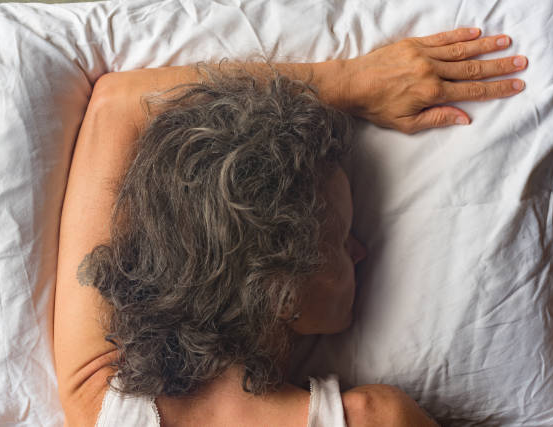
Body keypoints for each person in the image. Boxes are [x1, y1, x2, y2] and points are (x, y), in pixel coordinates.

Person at [53, 28, 527, 426]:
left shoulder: (102, 402)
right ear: (278, 290)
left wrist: (351, 82)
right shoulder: (373, 420)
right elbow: (119, 104)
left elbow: (118, 106)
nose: (361, 251)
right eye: (341, 241)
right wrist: (352, 81)